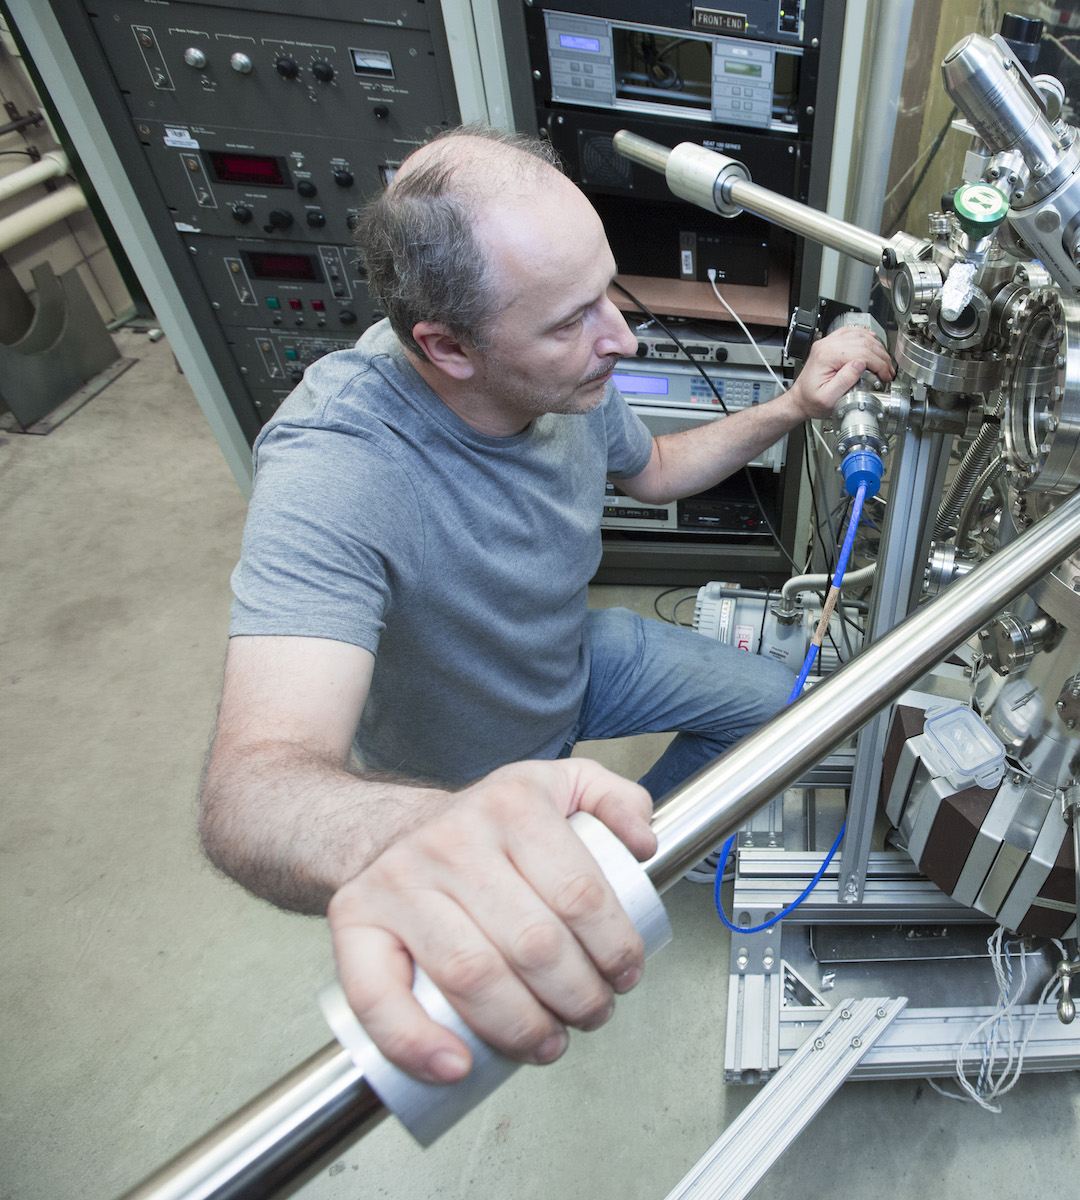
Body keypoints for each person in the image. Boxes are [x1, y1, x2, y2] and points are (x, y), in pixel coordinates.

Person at [198, 126, 893, 1086]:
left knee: (787, 712)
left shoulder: (569, 370)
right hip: (467, 766)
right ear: (447, 348)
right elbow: (251, 789)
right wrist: (415, 836)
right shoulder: (337, 465)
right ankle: (584, 868)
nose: (621, 336)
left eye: (606, 291)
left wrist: (793, 408)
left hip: (572, 660)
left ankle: (621, 847)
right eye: (570, 320)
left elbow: (651, 470)